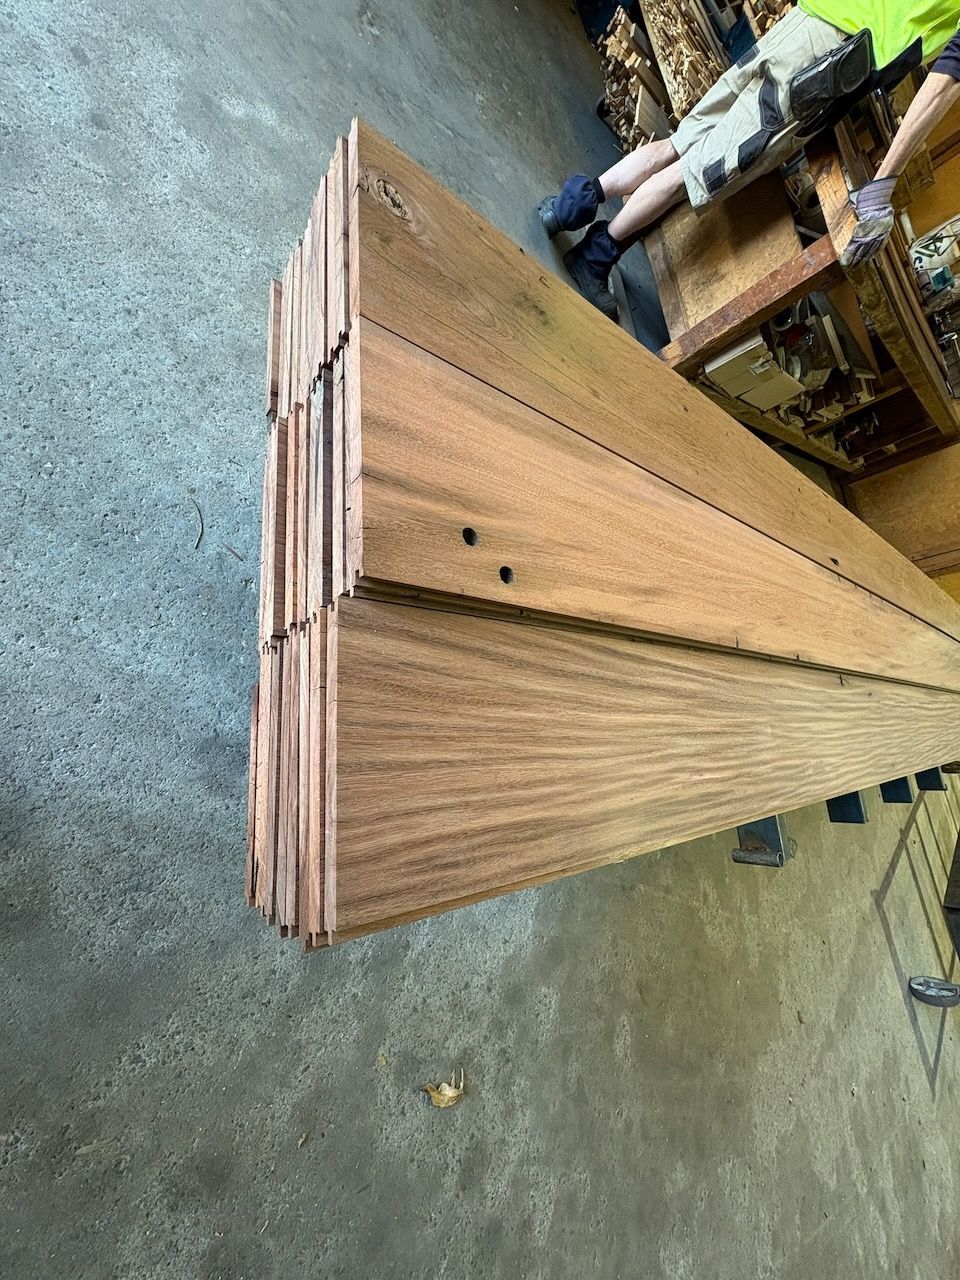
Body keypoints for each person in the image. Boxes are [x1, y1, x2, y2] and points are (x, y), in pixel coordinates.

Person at [540, 3, 960, 317]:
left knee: (682, 141)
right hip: (833, 66)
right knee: (692, 174)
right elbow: (942, 85)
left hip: (807, 23)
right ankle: (593, 259)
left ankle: (569, 206)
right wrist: (882, 185)